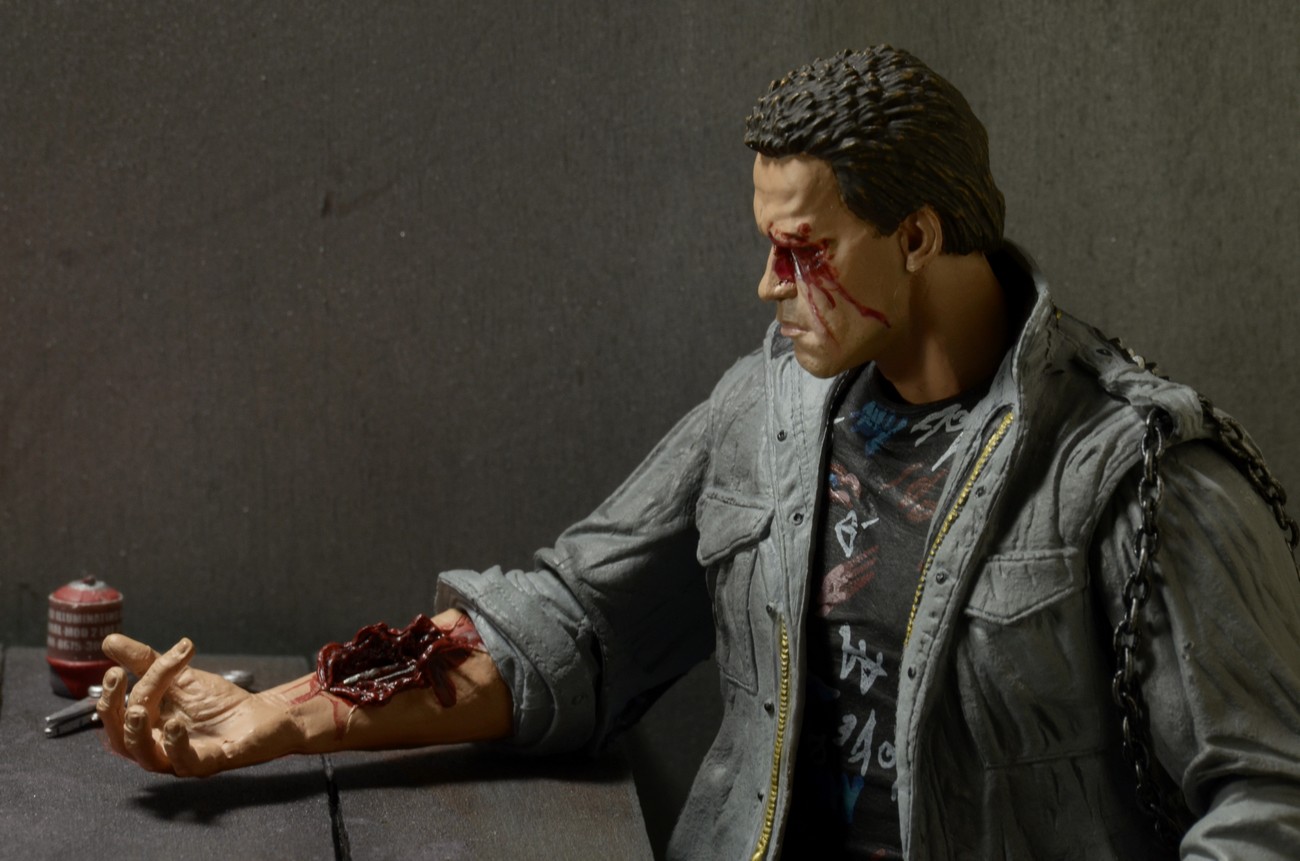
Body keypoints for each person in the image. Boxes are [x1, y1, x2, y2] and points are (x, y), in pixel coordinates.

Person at [98, 46, 1300, 859]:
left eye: (801, 248)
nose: (767, 284)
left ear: (917, 235)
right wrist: (277, 717)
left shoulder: (1134, 468)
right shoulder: (765, 414)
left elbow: (1266, 801)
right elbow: (571, 625)